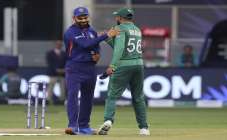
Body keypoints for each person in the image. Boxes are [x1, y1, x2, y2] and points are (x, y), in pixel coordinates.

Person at [63, 6, 119, 135]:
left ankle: (83, 126)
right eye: (80, 17)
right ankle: (72, 126)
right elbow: (85, 44)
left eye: (85, 17)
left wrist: (97, 54)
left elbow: (94, 45)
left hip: (90, 68)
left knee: (87, 98)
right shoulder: (71, 32)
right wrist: (106, 35)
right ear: (74, 18)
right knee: (72, 96)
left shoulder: (92, 31)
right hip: (75, 67)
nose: (83, 20)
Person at [97, 8, 150, 136]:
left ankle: (108, 120)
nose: (116, 19)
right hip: (138, 65)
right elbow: (125, 47)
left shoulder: (119, 28)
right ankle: (144, 128)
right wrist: (107, 38)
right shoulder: (137, 30)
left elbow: (120, 49)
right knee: (138, 97)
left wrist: (112, 65)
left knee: (112, 96)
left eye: (117, 17)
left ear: (120, 18)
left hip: (124, 65)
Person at [46, 40, 66, 104]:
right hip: (53, 74)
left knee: (63, 87)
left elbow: (66, 62)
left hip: (62, 74)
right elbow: (50, 63)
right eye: (57, 44)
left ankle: (62, 100)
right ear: (55, 45)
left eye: (60, 44)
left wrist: (63, 70)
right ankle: (48, 99)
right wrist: (56, 69)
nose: (59, 45)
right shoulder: (50, 53)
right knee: (51, 87)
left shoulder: (64, 53)